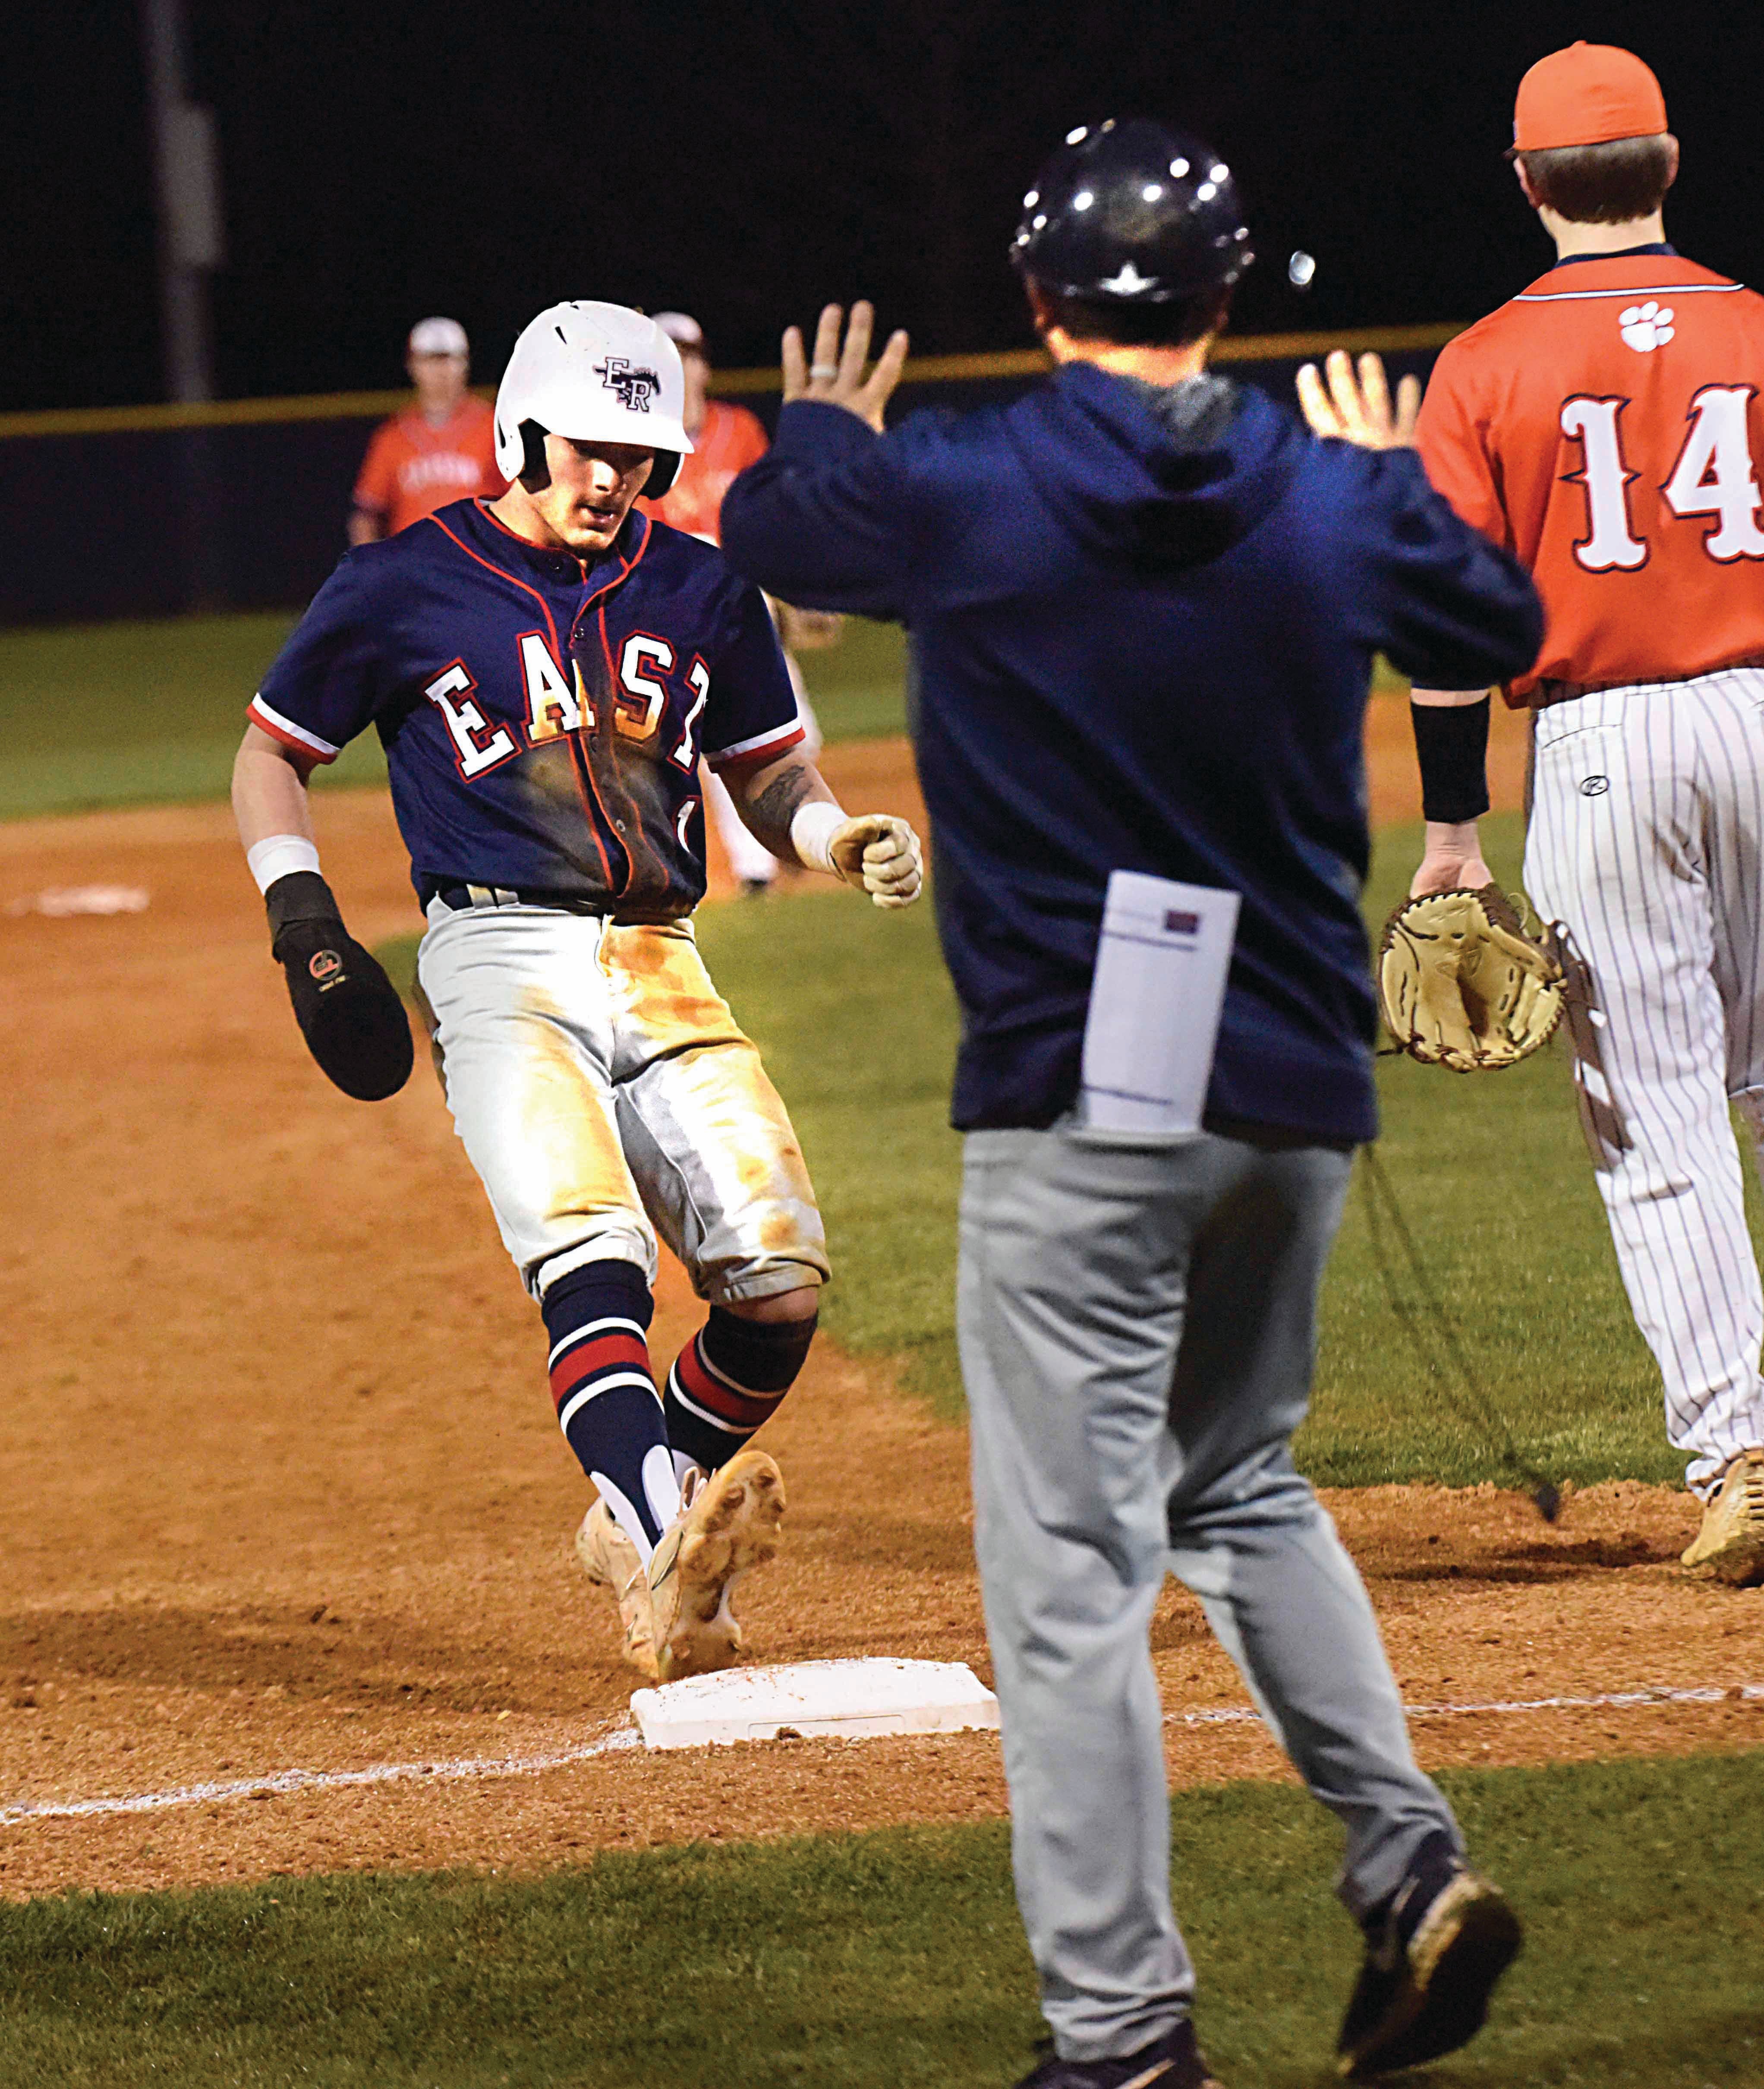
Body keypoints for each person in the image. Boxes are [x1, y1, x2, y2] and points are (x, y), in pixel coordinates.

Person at [722, 120, 1540, 2088]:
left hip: (1079, 1094)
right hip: (1284, 1094)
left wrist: (826, 419)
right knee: (1239, 1479)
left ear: (1036, 296)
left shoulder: (969, 487)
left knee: (1072, 1575)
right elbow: (1499, 631)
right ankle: (1407, 1858)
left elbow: (779, 528)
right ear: (1230, 295)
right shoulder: (1322, 493)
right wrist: (1378, 474)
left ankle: (1119, 2033)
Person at [232, 300, 923, 1683]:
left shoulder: (701, 586)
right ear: (522, 432)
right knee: (587, 1243)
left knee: (780, 1283)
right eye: (588, 449)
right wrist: (304, 922)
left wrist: (832, 834)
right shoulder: (403, 583)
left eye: (641, 456)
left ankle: (639, 1509)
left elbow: (766, 770)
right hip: (496, 955)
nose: (615, 478)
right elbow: (271, 754)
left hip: (664, 954)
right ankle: (671, 1532)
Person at [1356, 41, 1764, 1589]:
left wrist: (1452, 831)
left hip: (1597, 742)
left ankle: (1738, 1448)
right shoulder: (1747, 326)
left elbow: (1454, 627)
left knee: (1652, 1110)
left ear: (1526, 186)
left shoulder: (1480, 366)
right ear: (1665, 167)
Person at [642, 308, 844, 896]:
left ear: (704, 366)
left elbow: (771, 521)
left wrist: (801, 584)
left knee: (798, 734)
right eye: (668, 356)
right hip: (675, 608)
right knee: (716, 737)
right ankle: (755, 868)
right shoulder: (639, 445)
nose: (681, 367)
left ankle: (789, 831)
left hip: (750, 605)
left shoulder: (741, 431)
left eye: (689, 355)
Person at [348, 316, 504, 545]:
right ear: (412, 365)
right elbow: (366, 515)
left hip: (478, 562)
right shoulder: (393, 435)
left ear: (466, 362)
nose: (441, 370)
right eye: (430, 359)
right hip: (414, 566)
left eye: (449, 359)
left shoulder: (493, 425)